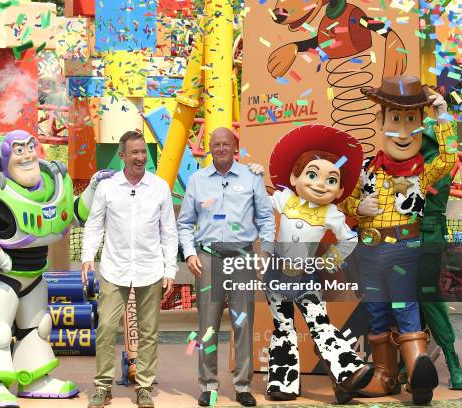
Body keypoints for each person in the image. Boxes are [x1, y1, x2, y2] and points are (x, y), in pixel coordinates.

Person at [0, 130, 109, 407]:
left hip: (35, 275)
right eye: (18, 150)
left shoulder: (49, 187)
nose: (27, 155)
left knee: (38, 327)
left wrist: (94, 187)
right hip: (5, 277)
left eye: (30, 147)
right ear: (6, 157)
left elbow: (75, 215)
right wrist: (2, 262)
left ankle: (34, 377)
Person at [341, 75, 457, 404]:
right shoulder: (366, 169)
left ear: (421, 125)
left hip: (406, 249)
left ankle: (417, 372)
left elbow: (448, 159)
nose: (403, 131)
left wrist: (443, 116)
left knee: (406, 307)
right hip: (370, 251)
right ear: (380, 121)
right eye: (395, 119)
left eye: (411, 120)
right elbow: (346, 202)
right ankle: (384, 376)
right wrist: (359, 207)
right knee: (377, 311)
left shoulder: (422, 171)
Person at [260, 124, 373, 403]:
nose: (321, 184)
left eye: (330, 180)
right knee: (283, 326)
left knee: (320, 324)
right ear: (294, 177)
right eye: (312, 175)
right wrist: (253, 177)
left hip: (307, 276)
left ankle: (348, 371)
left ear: (340, 190)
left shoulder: (332, 213)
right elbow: (259, 202)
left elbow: (349, 239)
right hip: (276, 272)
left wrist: (329, 261)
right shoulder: (285, 198)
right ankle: (283, 383)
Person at [177, 127, 276, 407]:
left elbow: (266, 218)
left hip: (243, 258)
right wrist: (188, 253)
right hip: (207, 259)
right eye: (216, 144)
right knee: (207, 325)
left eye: (226, 144)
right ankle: (208, 386)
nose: (221, 148)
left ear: (235, 148)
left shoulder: (251, 177)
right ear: (209, 147)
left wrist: (266, 250)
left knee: (243, 323)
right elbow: (184, 223)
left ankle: (243, 386)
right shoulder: (196, 180)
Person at [81, 130, 178, 408]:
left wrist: (169, 269)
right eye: (133, 152)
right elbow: (94, 225)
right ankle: (102, 387)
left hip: (151, 270)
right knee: (106, 327)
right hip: (114, 269)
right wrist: (88, 257)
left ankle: (144, 386)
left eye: (142, 152)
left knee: (148, 331)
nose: (139, 157)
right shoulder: (107, 188)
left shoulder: (159, 187)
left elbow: (169, 232)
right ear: (121, 155)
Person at [415, 118, 461, 390]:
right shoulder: (402, 162)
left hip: (428, 236)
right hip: (399, 237)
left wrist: (444, 119)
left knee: (429, 297)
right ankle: (407, 363)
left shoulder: (436, 164)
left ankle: (453, 360)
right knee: (401, 301)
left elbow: (448, 157)